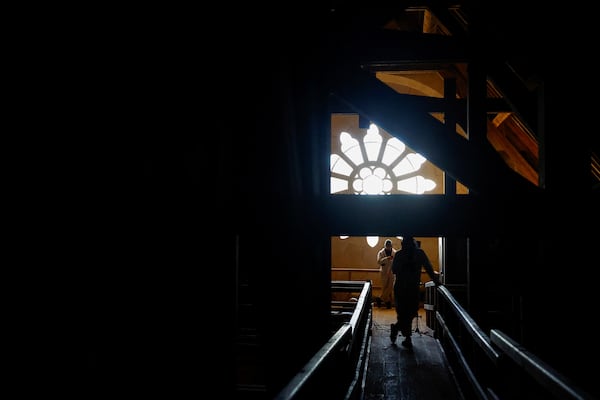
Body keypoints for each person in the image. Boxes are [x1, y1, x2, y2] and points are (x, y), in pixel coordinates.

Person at [390, 236, 440, 348]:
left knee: (410, 312)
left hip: (408, 288)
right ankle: (407, 338)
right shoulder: (408, 254)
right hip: (403, 288)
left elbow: (428, 267)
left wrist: (435, 280)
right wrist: (436, 280)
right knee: (404, 313)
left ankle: (397, 328)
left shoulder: (405, 254)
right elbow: (394, 270)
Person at [376, 239, 396, 308]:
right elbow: (379, 261)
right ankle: (387, 302)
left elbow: (396, 262)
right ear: (385, 246)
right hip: (384, 272)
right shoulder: (381, 253)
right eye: (387, 246)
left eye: (389, 246)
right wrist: (386, 258)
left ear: (391, 246)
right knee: (384, 287)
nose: (388, 247)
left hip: (392, 272)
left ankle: (380, 298)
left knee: (390, 286)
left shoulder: (394, 252)